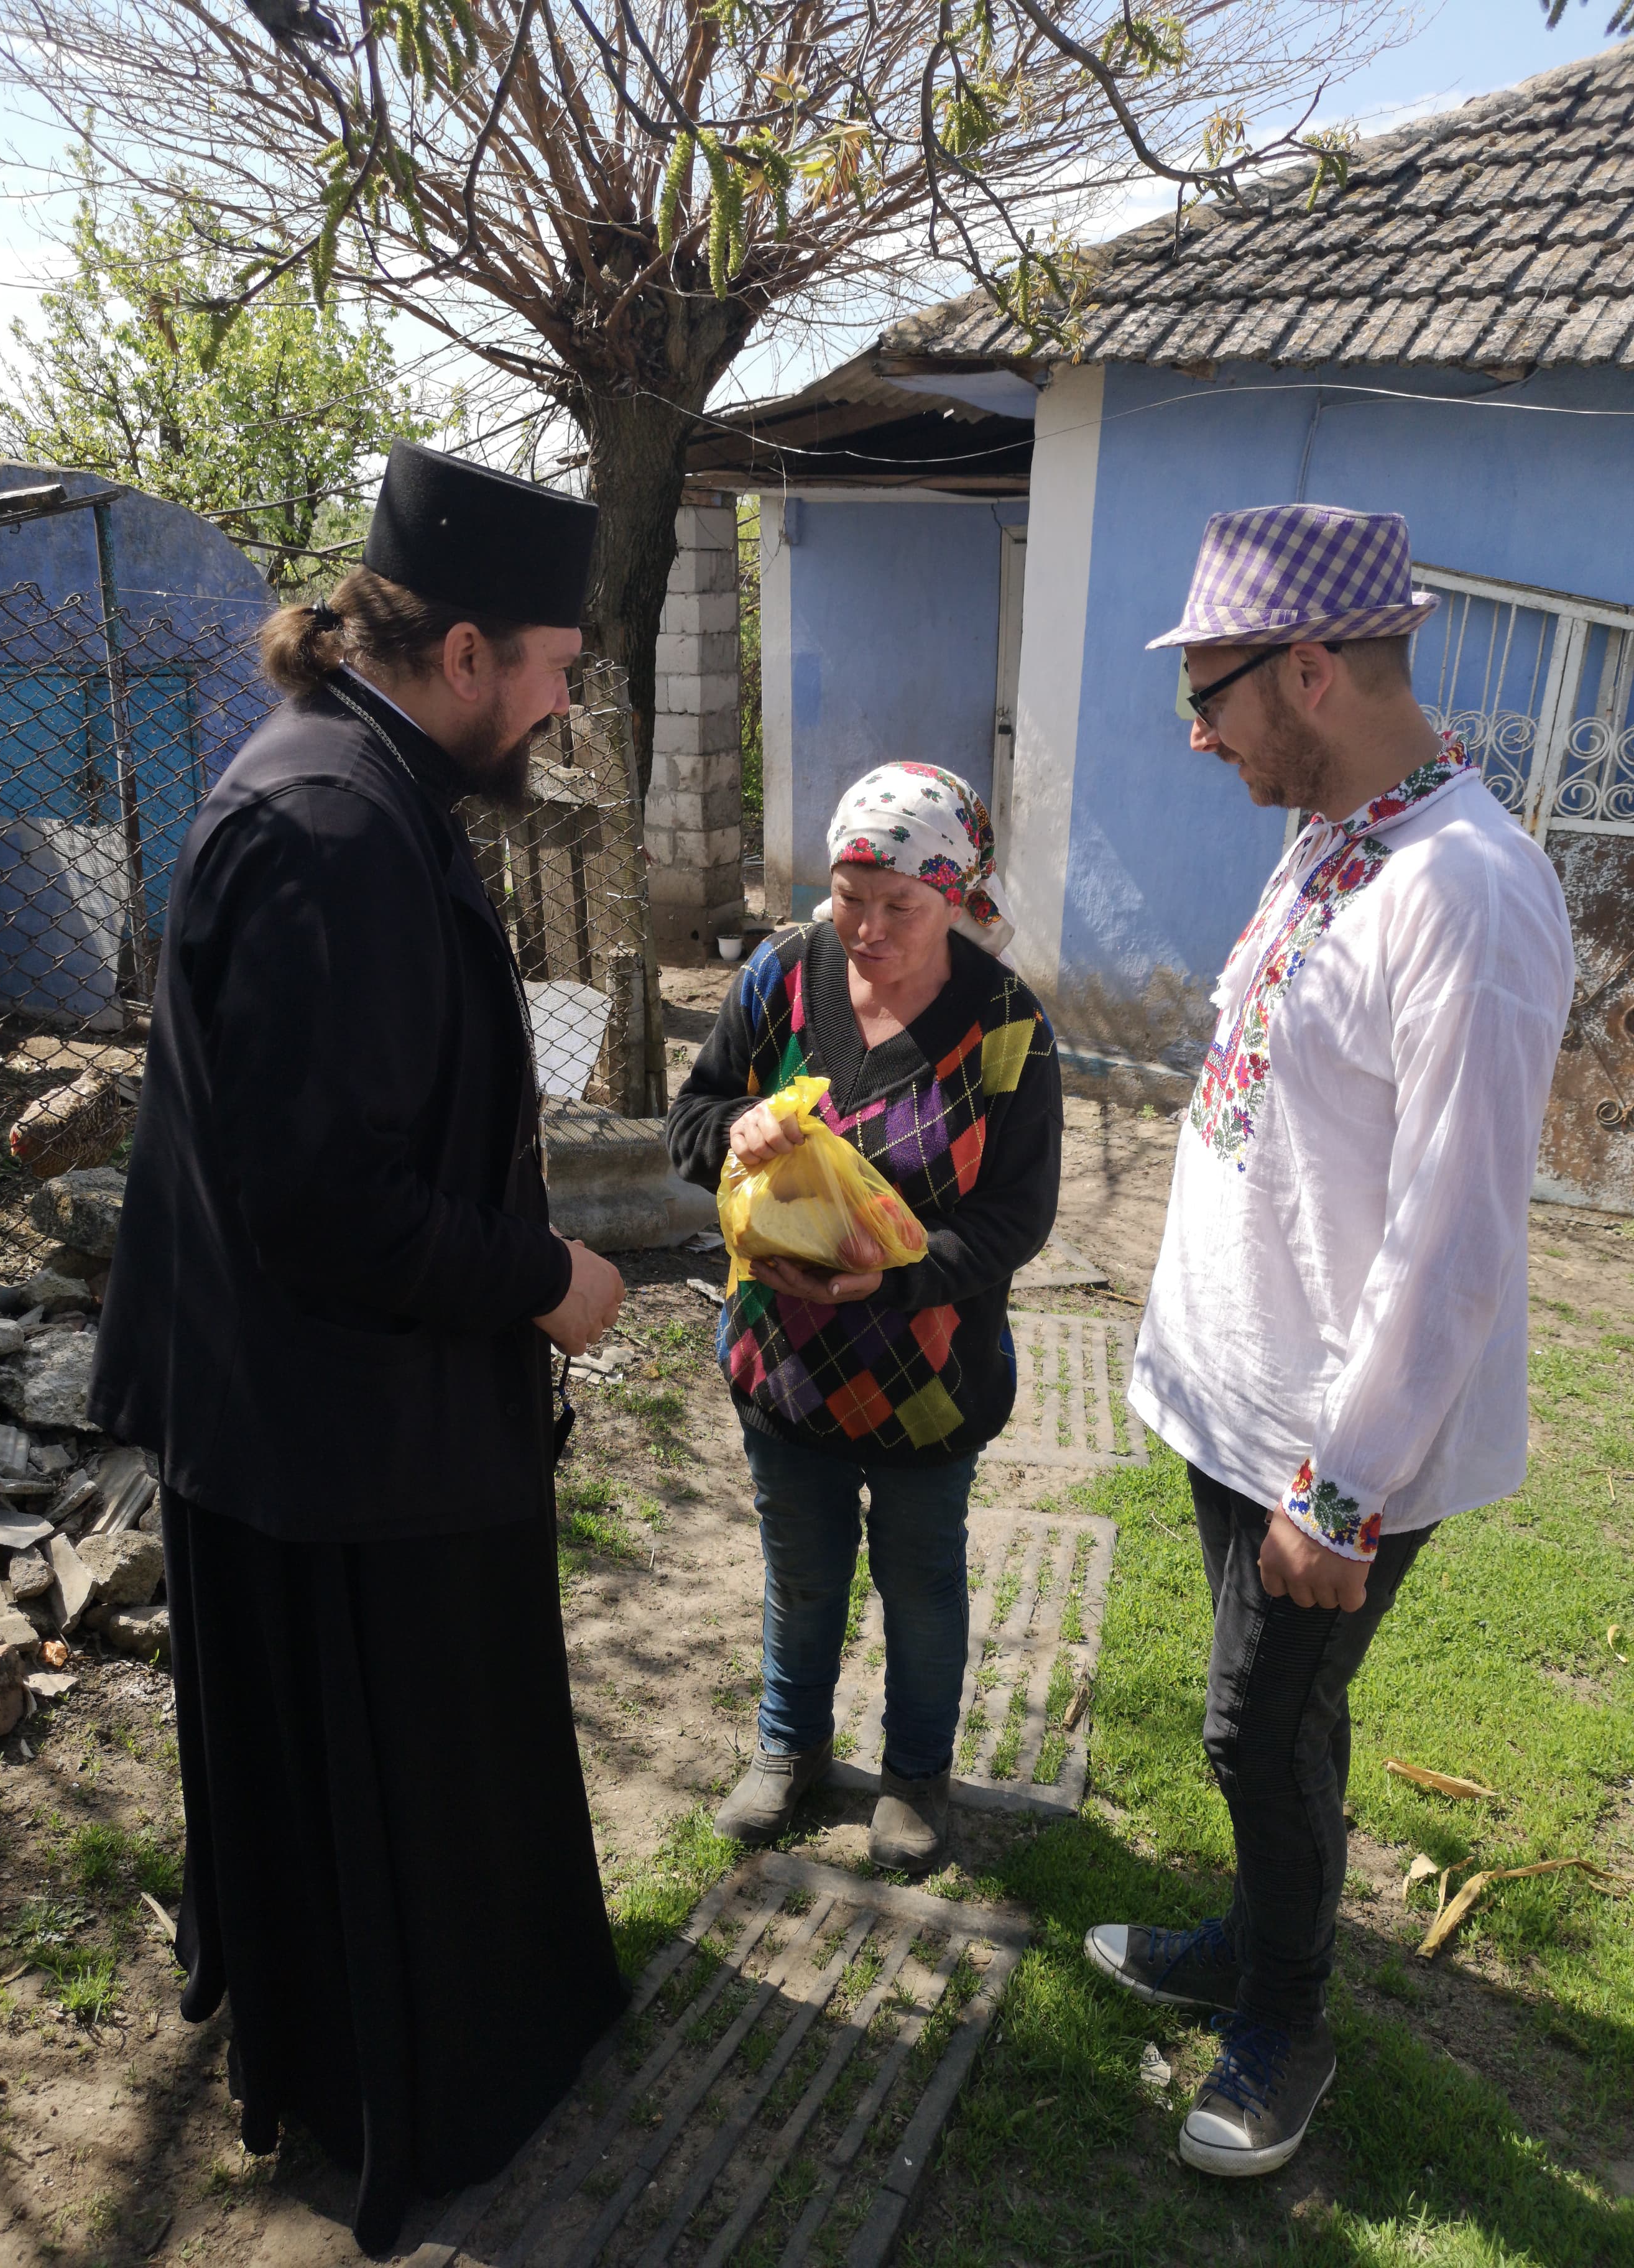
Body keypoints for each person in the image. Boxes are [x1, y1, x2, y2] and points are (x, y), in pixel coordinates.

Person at [91, 441, 629, 2254]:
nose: (562, 708)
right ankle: (416, 2091)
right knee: (394, 1793)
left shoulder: (362, 780)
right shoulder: (331, 828)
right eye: (555, 669)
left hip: (342, 1416)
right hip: (333, 1443)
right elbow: (326, 1201)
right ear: (464, 653)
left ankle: (465, 2035)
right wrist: (544, 1278)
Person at [1086, 505, 1573, 2178]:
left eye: (1207, 695)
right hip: (1249, 1403)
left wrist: (1345, 1489)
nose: (1195, 735)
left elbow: (1454, 1233)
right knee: (1275, 1727)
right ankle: (1248, 1941)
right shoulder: (1337, 836)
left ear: (1309, 671)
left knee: (1256, 1725)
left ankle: (1285, 2027)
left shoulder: (1470, 893)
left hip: (1337, 1446)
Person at [668, 763, 1063, 1874]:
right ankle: (787, 1749)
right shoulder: (782, 977)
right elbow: (690, 1119)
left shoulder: (1005, 1028)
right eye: (850, 897)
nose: (870, 928)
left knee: (921, 1581)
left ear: (957, 898)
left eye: (902, 905)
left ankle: (916, 1774)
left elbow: (1016, 1219)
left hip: (928, 1376)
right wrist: (739, 1126)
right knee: (801, 1569)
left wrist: (890, 1280)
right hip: (782, 1360)